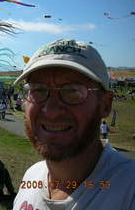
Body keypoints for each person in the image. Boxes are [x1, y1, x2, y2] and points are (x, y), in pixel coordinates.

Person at [12, 39, 135, 209]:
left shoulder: (129, 190)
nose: (51, 112)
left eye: (72, 91)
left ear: (105, 105)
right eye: (38, 90)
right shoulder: (32, 176)